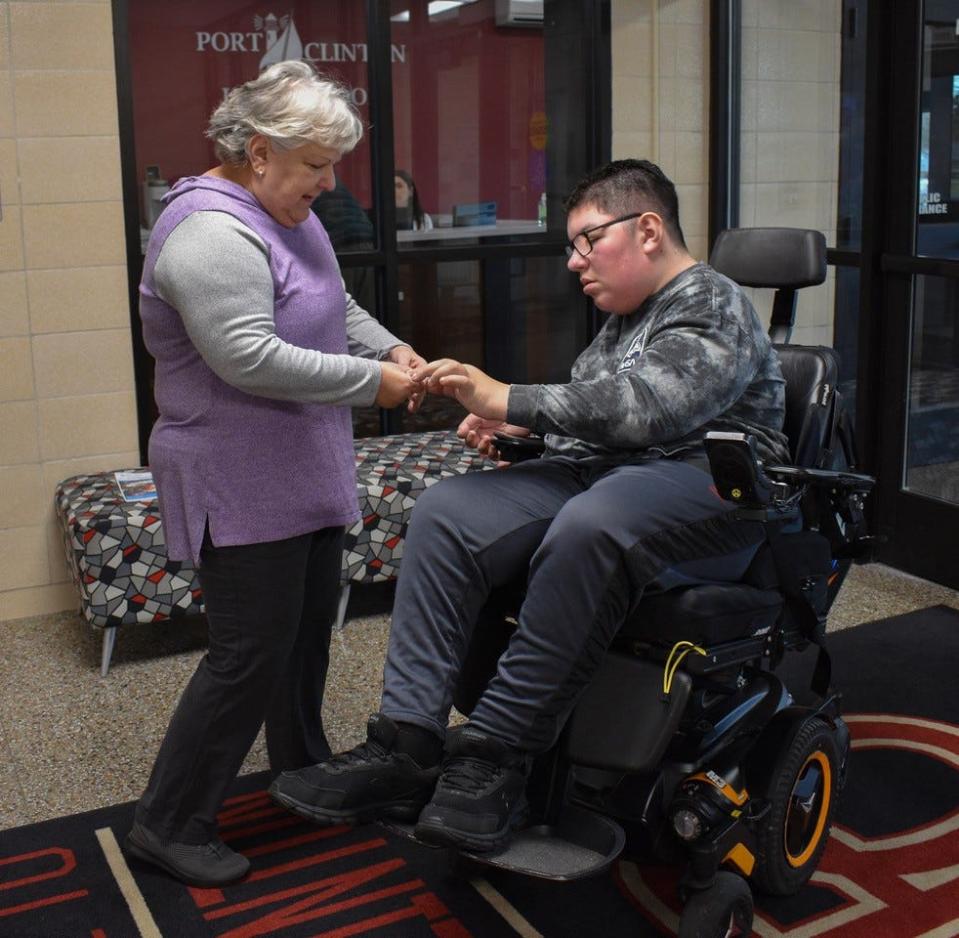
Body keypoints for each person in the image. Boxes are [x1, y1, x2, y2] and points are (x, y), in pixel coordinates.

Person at [269, 159, 790, 855]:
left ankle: (494, 756)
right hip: (609, 474)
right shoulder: (623, 319)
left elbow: (650, 410)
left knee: (595, 524)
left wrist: (507, 398)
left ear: (646, 229)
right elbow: (597, 413)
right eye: (570, 247)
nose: (574, 262)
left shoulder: (712, 302)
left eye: (586, 241)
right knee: (448, 512)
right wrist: (527, 428)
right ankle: (407, 744)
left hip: (711, 486)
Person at [127, 60, 425, 888]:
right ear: (258, 152)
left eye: (333, 166)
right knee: (245, 654)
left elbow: (333, 303)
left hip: (301, 464)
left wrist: (389, 347)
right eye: (315, 166)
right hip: (239, 475)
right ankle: (166, 820)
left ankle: (304, 770)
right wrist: (374, 384)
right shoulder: (208, 233)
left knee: (299, 641)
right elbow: (248, 357)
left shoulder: (285, 212)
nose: (328, 185)